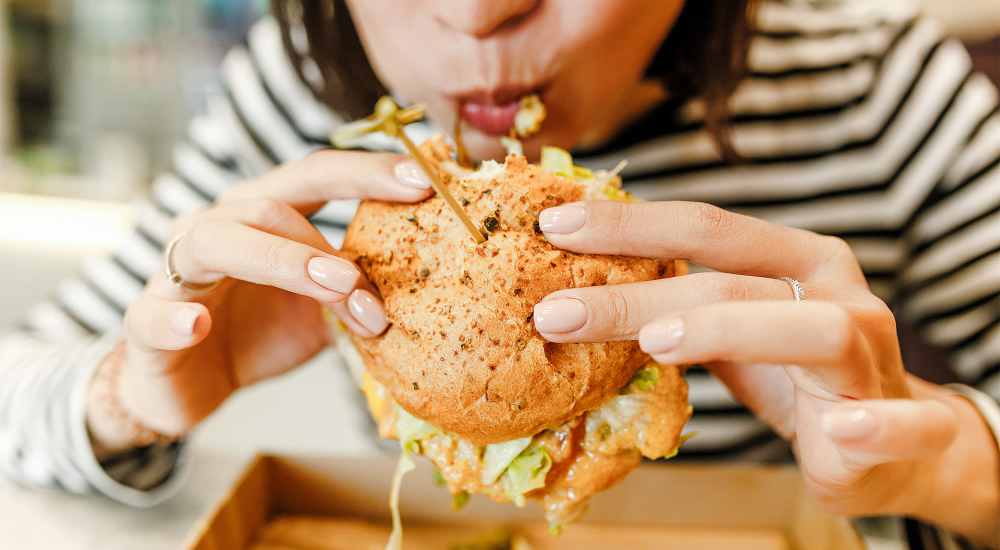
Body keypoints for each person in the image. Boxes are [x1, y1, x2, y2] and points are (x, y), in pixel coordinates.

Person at [1, 0, 998, 546]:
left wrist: (944, 464)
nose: (476, 17)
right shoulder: (301, 99)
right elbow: (17, 380)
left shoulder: (883, 93)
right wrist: (129, 394)